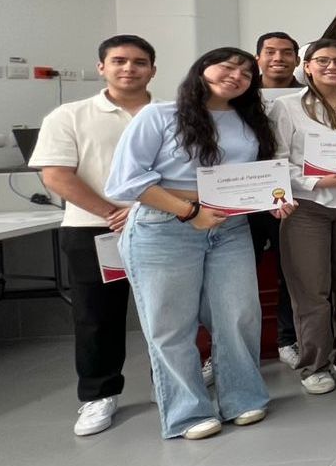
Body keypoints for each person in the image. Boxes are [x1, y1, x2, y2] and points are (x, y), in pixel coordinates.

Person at [105, 47, 284, 439]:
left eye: (246, 73)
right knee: (171, 326)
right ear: (202, 69)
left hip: (230, 228)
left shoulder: (249, 120)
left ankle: (243, 398)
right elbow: (125, 181)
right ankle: (187, 413)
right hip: (164, 227)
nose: (236, 76)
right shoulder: (159, 115)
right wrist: (190, 212)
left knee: (238, 316)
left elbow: (253, 177)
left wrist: (273, 199)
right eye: (227, 66)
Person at [31, 36, 157, 436]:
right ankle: (99, 395)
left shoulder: (170, 114)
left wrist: (143, 210)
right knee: (97, 317)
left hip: (163, 225)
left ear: (153, 70)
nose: (129, 68)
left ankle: (170, 384)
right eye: (119, 61)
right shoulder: (70, 115)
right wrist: (111, 212)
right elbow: (56, 175)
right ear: (102, 67)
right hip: (95, 229)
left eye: (139, 62)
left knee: (170, 312)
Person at [270, 39, 336, 396]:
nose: (332, 67)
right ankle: (314, 364)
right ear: (308, 66)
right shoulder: (287, 107)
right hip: (307, 208)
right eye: (323, 61)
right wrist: (315, 180)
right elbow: (276, 160)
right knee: (311, 291)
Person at [251, 32, 301, 366]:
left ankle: (287, 339)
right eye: (270, 52)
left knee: (290, 270)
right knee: (239, 274)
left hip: (289, 197)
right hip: (243, 196)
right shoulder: (241, 94)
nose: (278, 58)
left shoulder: (308, 95)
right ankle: (235, 347)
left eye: (286, 53)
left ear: (297, 60)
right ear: (258, 58)